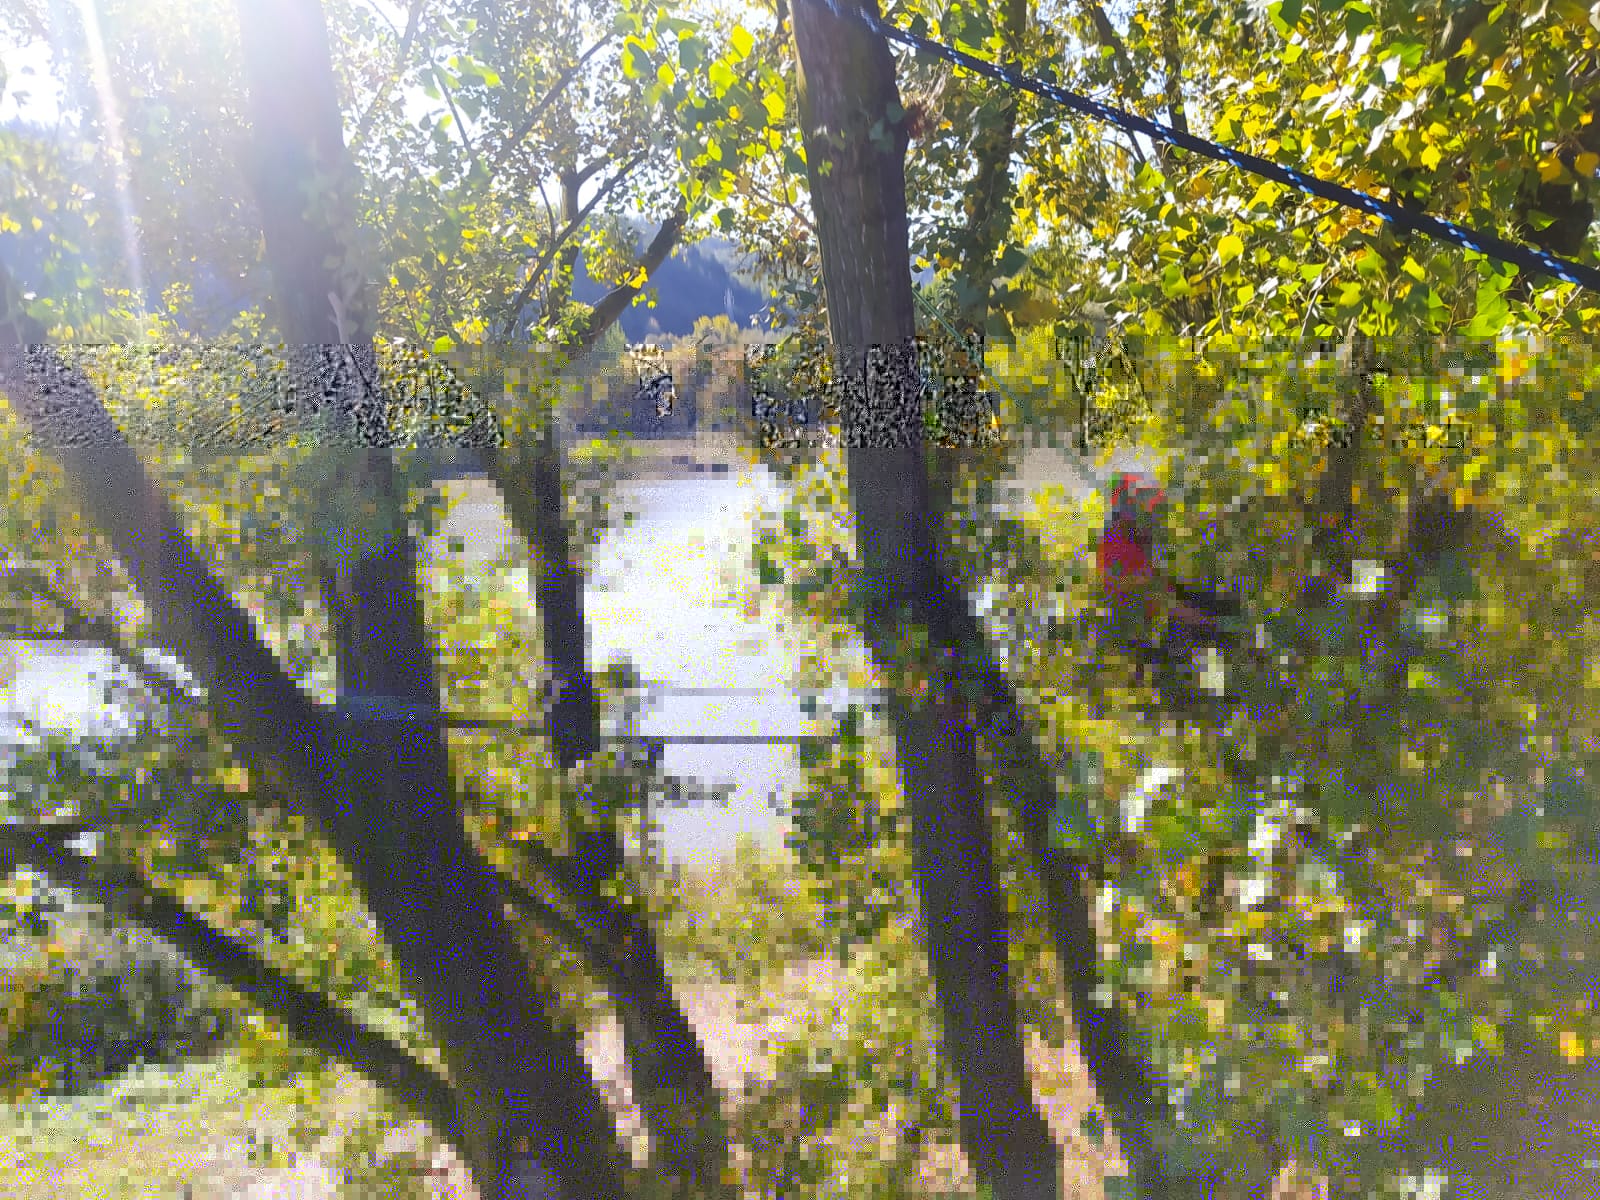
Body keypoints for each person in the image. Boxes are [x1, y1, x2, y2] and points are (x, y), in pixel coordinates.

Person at [1095, 472, 1235, 680]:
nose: (1147, 510)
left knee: (1224, 604)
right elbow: (1119, 588)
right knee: (1202, 633)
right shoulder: (1110, 544)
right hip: (1150, 618)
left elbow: (1161, 577)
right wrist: (1201, 619)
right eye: (1140, 503)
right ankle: (1213, 688)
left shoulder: (1140, 537)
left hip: (1165, 600)